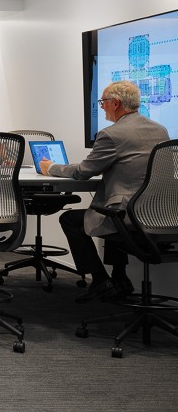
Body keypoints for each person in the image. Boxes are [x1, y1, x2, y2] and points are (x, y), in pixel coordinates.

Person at [40, 80, 170, 302]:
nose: (101, 106)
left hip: (129, 216)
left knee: (74, 219)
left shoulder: (111, 134)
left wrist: (51, 168)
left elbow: (83, 171)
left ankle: (101, 280)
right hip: (159, 214)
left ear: (116, 103)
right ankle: (119, 279)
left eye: (103, 102)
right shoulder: (161, 129)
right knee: (108, 208)